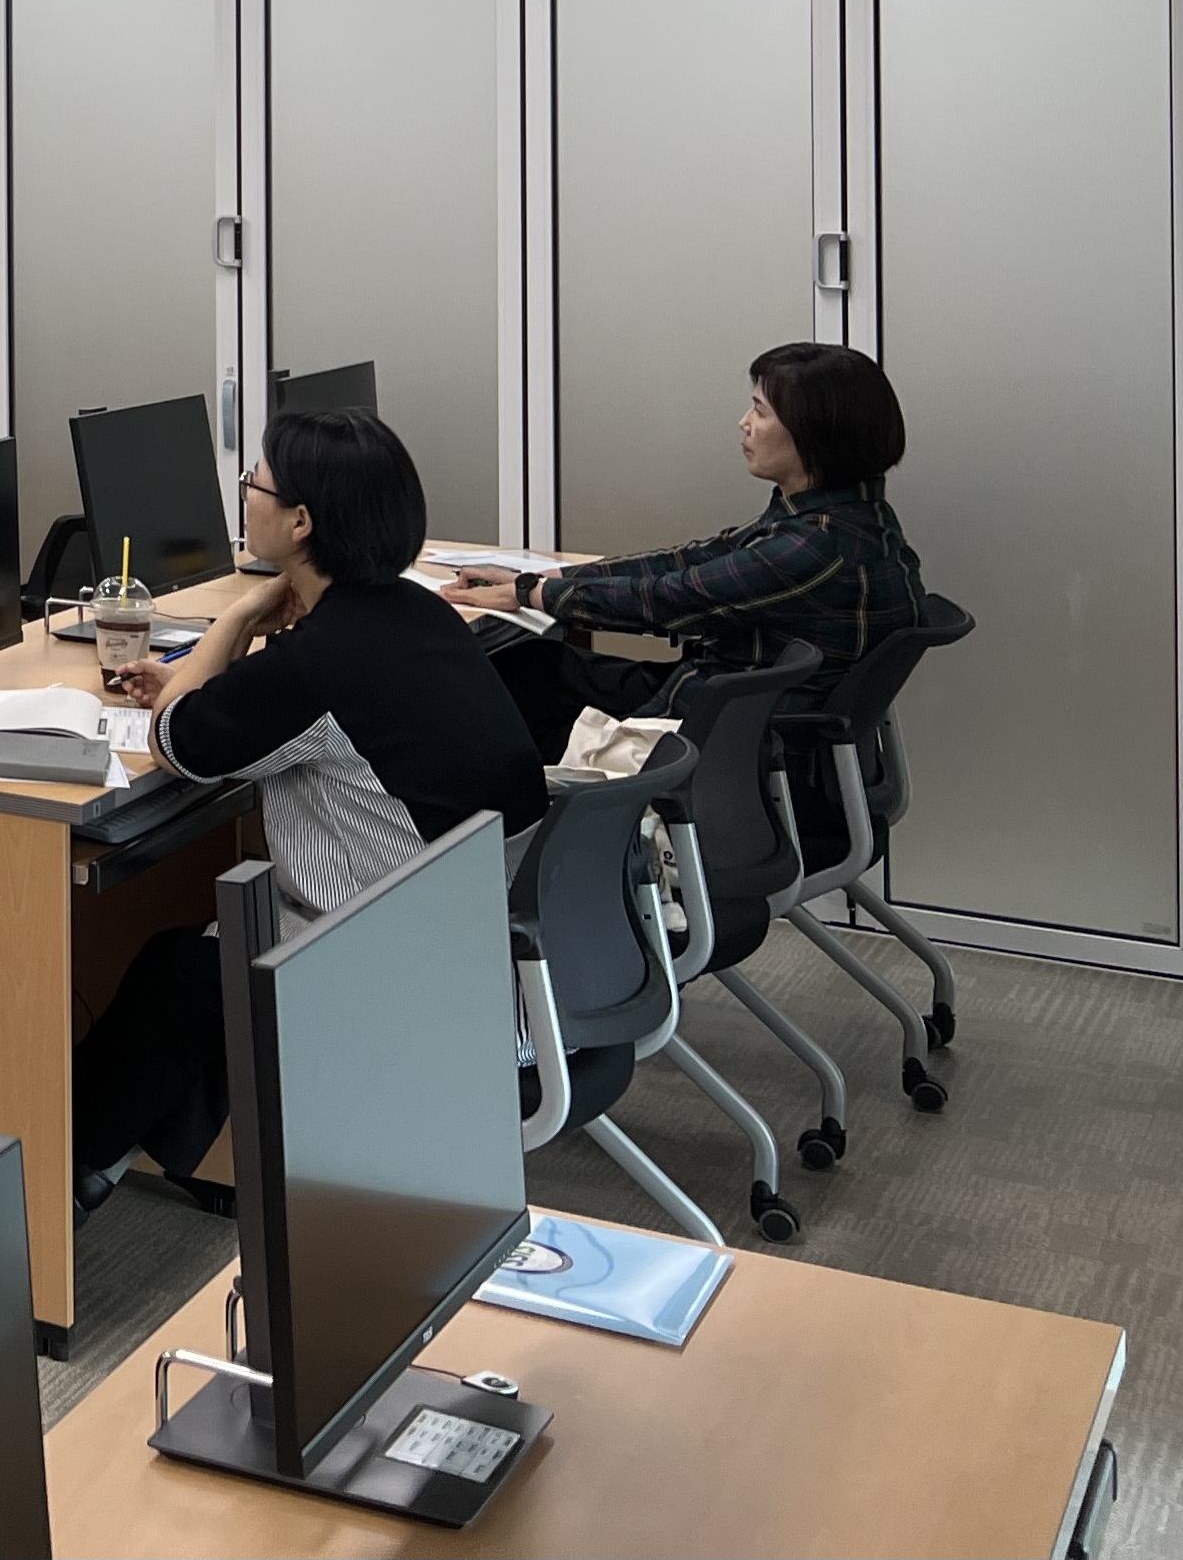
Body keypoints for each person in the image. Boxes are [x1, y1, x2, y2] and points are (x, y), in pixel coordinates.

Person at [73, 408, 545, 1204]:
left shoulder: (320, 661)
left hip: (377, 961)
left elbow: (176, 742)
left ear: (300, 521)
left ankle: (66, 1170)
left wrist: (236, 619)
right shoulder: (411, 611)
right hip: (463, 945)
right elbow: (255, 714)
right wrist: (219, 677)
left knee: (179, 971)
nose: (247, 494)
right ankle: (127, 1161)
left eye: (255, 481)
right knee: (204, 955)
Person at [450, 342, 923, 749]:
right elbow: (697, 560)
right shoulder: (847, 518)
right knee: (533, 665)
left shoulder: (815, 549)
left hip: (721, 746)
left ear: (815, 435)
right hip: (732, 714)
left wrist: (528, 594)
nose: (744, 423)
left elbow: (671, 598)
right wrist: (550, 579)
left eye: (760, 411)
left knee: (500, 700)